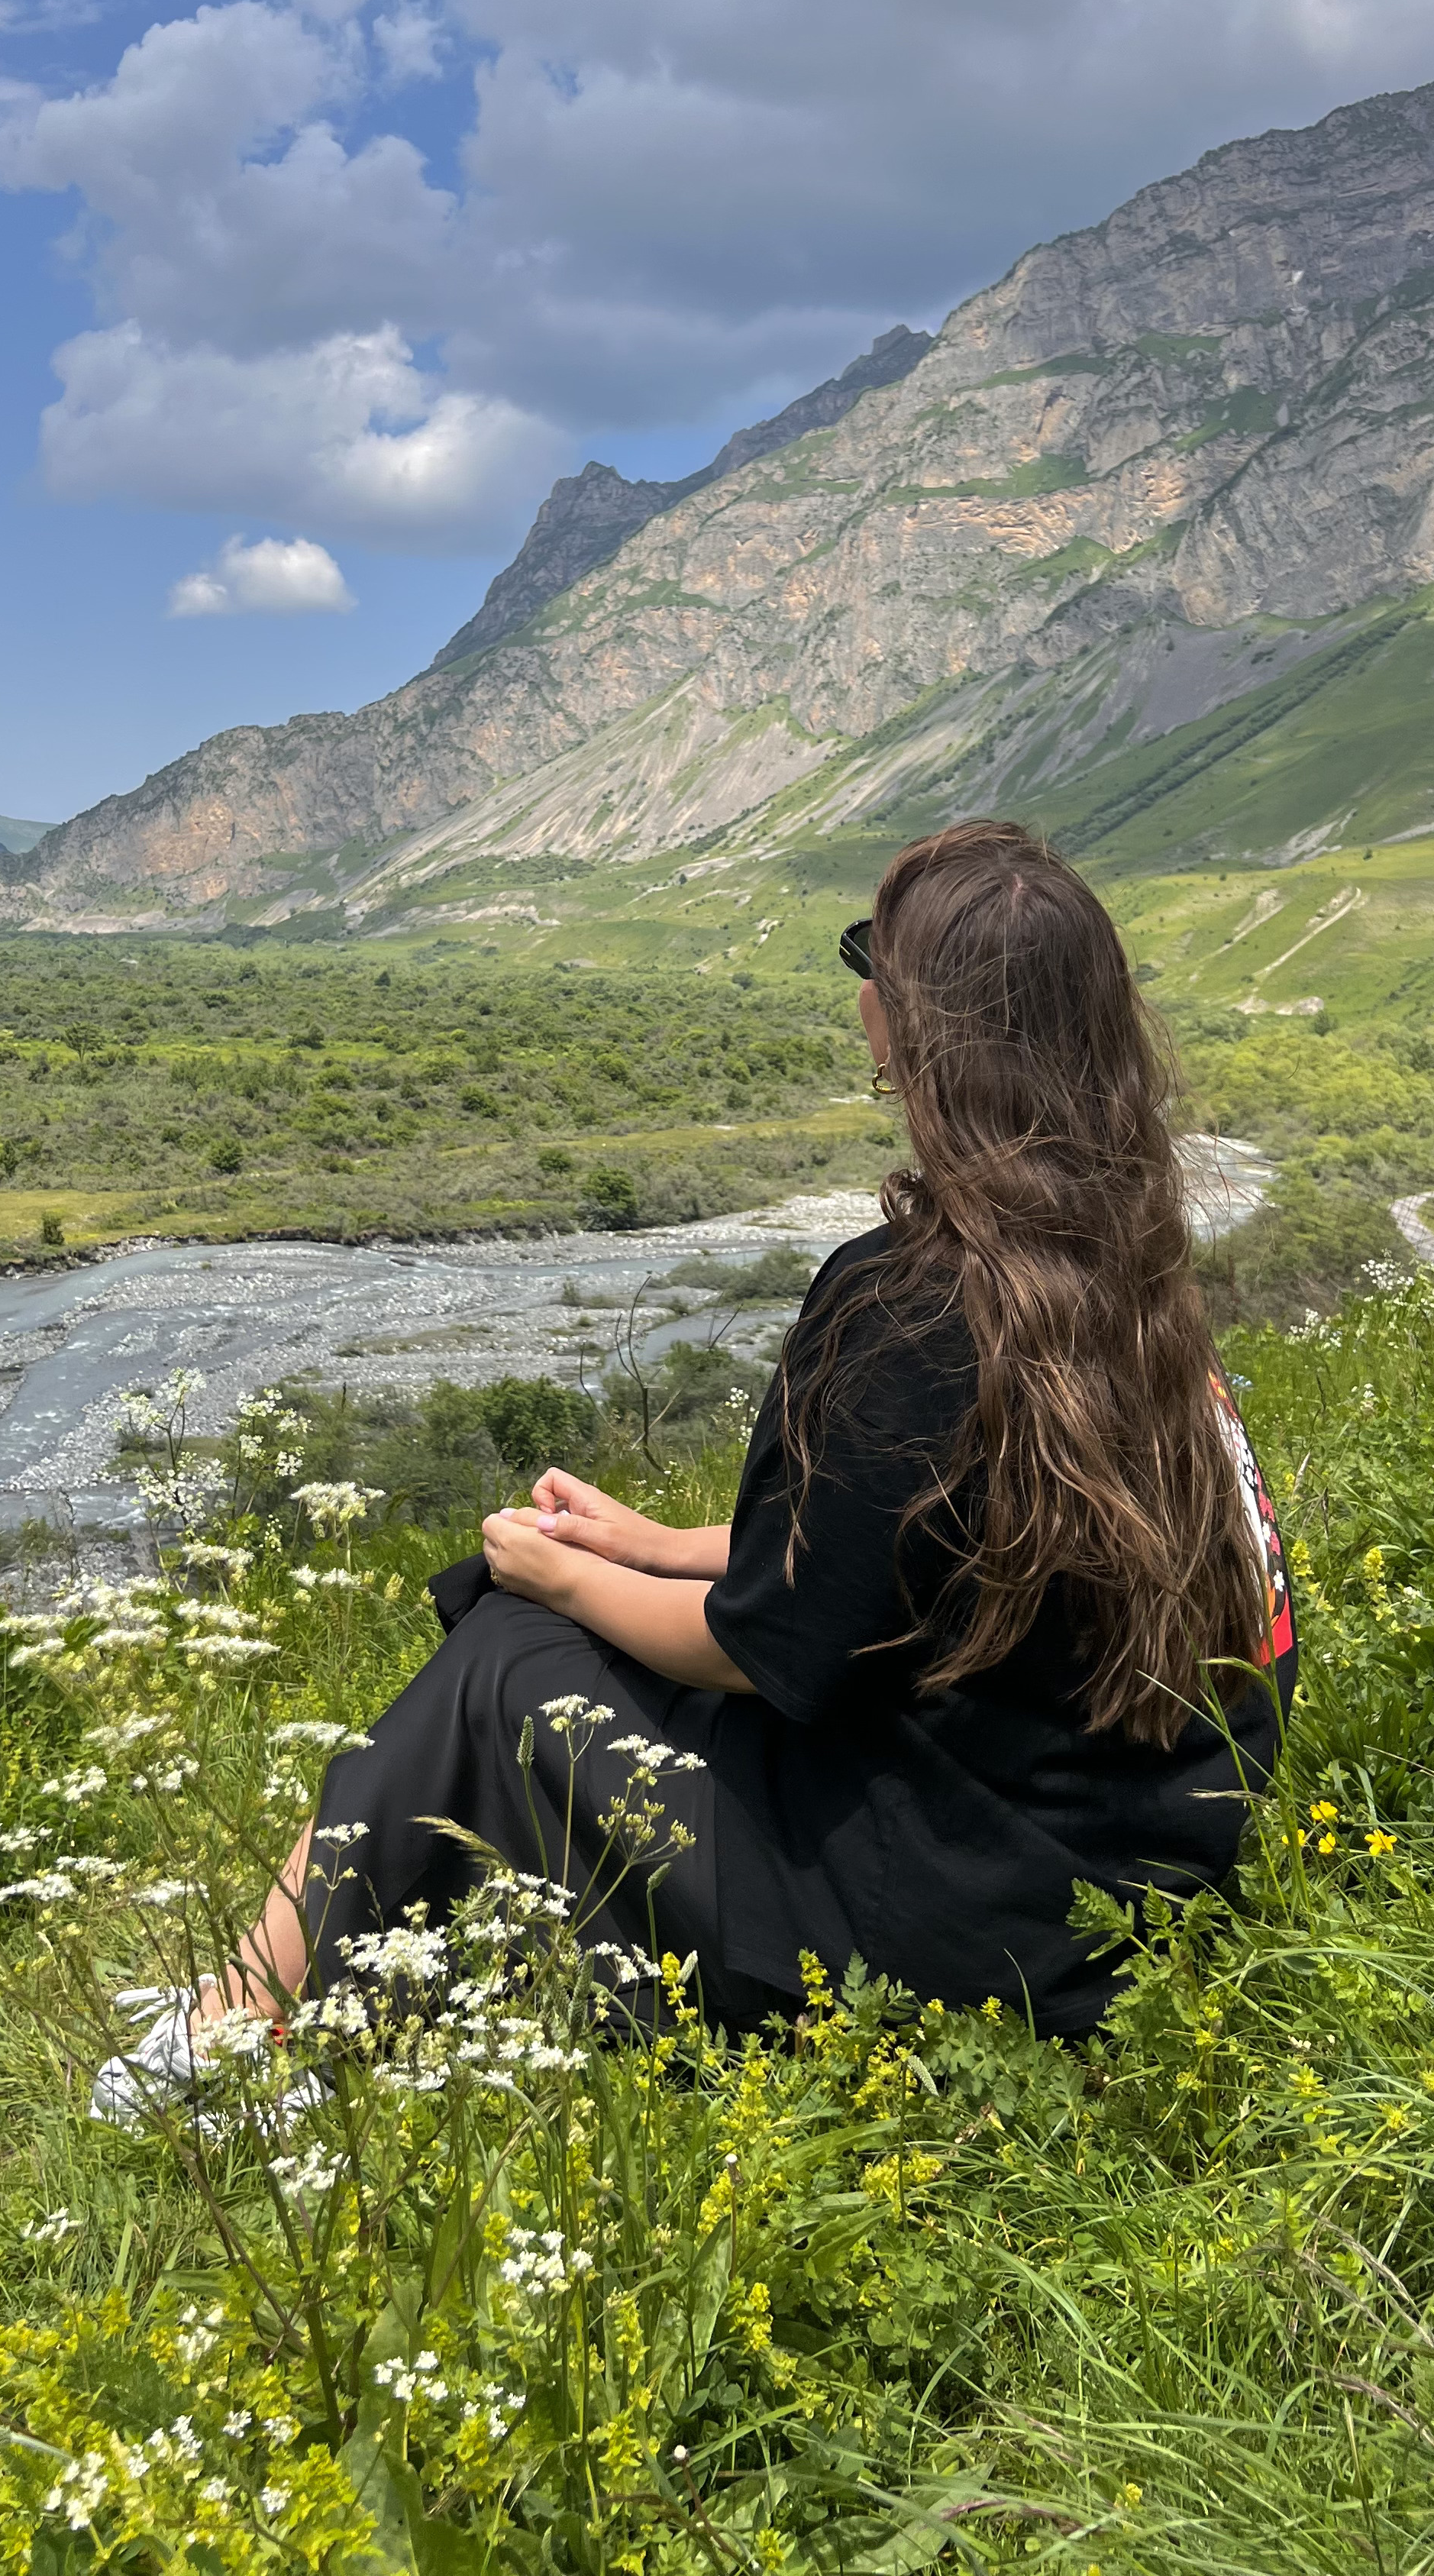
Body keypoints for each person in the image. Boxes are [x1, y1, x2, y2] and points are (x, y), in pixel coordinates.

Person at [175, 819, 1295, 2059]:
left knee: (502, 1646)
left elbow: (762, 1657)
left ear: (913, 1025)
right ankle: (287, 1992)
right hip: (1149, 1873)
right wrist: (651, 1544)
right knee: (546, 1622)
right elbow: (908, 1553)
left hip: (986, 1923)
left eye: (874, 957)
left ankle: (234, 2027)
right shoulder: (1120, 1261)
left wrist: (559, 1573)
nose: (861, 984)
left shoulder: (914, 1304)